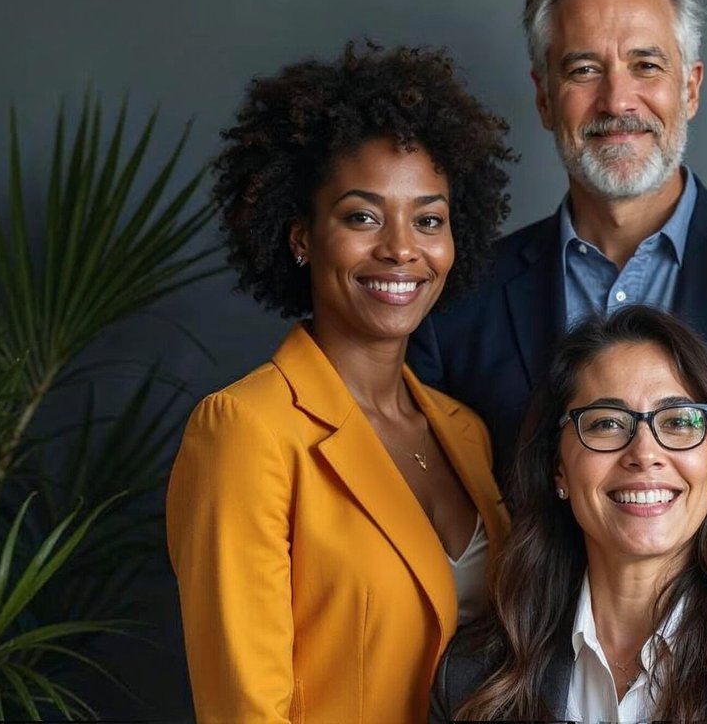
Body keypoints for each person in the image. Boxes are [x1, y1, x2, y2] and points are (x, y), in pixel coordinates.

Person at [166, 42, 516, 723]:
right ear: (302, 237)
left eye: (429, 219)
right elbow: (245, 710)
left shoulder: (463, 431)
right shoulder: (247, 431)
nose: (401, 248)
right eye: (362, 216)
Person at [407, 0, 707, 498]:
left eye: (646, 66)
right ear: (544, 98)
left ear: (690, 88)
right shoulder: (459, 300)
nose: (617, 101)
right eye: (584, 70)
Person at [430, 305, 707, 722]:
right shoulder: (470, 673)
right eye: (606, 423)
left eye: (679, 422)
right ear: (558, 468)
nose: (645, 453)